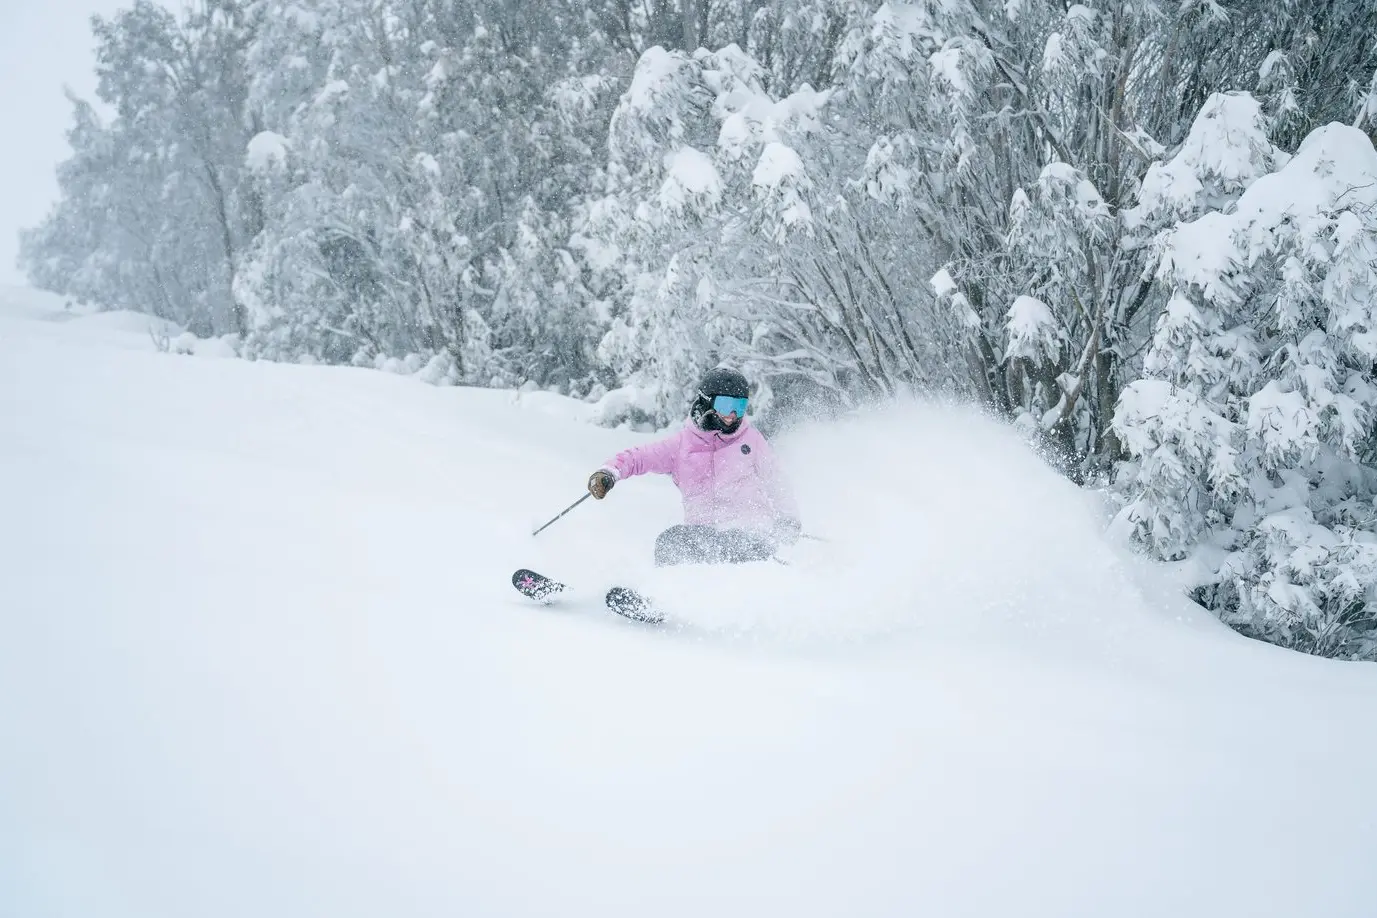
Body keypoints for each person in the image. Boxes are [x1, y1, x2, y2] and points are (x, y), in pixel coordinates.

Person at [586, 367, 802, 566]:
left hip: (751, 533)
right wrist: (610, 472)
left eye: (740, 406)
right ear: (706, 402)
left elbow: (776, 479)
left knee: (734, 547)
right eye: (726, 406)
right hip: (704, 534)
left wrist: (788, 519)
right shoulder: (681, 446)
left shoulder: (751, 441)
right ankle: (665, 597)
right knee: (670, 542)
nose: (733, 415)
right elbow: (639, 457)